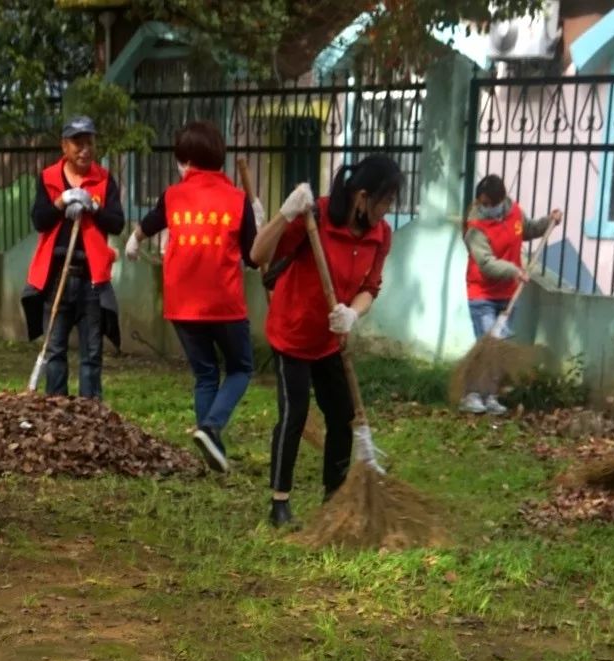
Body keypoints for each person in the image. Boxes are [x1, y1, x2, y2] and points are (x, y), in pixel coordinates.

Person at [251, 153, 402, 528]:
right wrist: (286, 214)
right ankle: (280, 504)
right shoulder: (314, 217)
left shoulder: (380, 236)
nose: (387, 210)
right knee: (295, 413)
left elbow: (370, 288)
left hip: (330, 339)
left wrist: (353, 312)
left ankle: (333, 496)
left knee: (342, 415)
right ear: (362, 197)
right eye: (384, 201)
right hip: (292, 333)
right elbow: (258, 255)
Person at [126, 121, 260, 474]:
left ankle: (210, 447)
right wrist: (257, 224)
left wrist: (133, 240)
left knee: (205, 375)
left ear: (185, 161)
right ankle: (212, 428)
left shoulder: (173, 196)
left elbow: (150, 222)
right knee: (242, 367)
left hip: (182, 305)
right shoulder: (236, 200)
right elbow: (254, 257)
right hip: (224, 304)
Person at [22, 116, 124, 400]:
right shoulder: (48, 178)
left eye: (89, 142)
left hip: (91, 277)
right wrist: (60, 203)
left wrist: (93, 207)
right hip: (56, 276)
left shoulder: (104, 180)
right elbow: (40, 221)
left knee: (92, 353)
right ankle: (57, 413)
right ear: (64, 146)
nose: (84, 149)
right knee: (55, 351)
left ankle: (91, 415)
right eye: (77, 143)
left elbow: (117, 223)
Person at [460, 175, 561, 415]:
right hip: (482, 293)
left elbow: (528, 230)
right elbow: (485, 263)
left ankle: (491, 396)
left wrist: (549, 221)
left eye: (488, 203)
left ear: (501, 199)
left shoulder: (514, 212)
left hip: (508, 294)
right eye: (481, 202)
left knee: (501, 347)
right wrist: (514, 270)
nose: (484, 207)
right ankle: (471, 394)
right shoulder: (475, 227)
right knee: (489, 346)